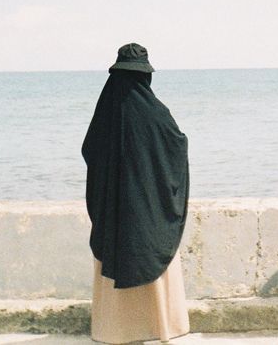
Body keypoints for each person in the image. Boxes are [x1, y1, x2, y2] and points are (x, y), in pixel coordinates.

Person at [81, 43, 191, 344]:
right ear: (146, 76)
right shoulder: (156, 114)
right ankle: (160, 326)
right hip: (149, 211)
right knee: (153, 246)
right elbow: (177, 145)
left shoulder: (105, 113)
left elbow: (89, 151)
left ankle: (113, 330)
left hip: (114, 211)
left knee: (115, 250)